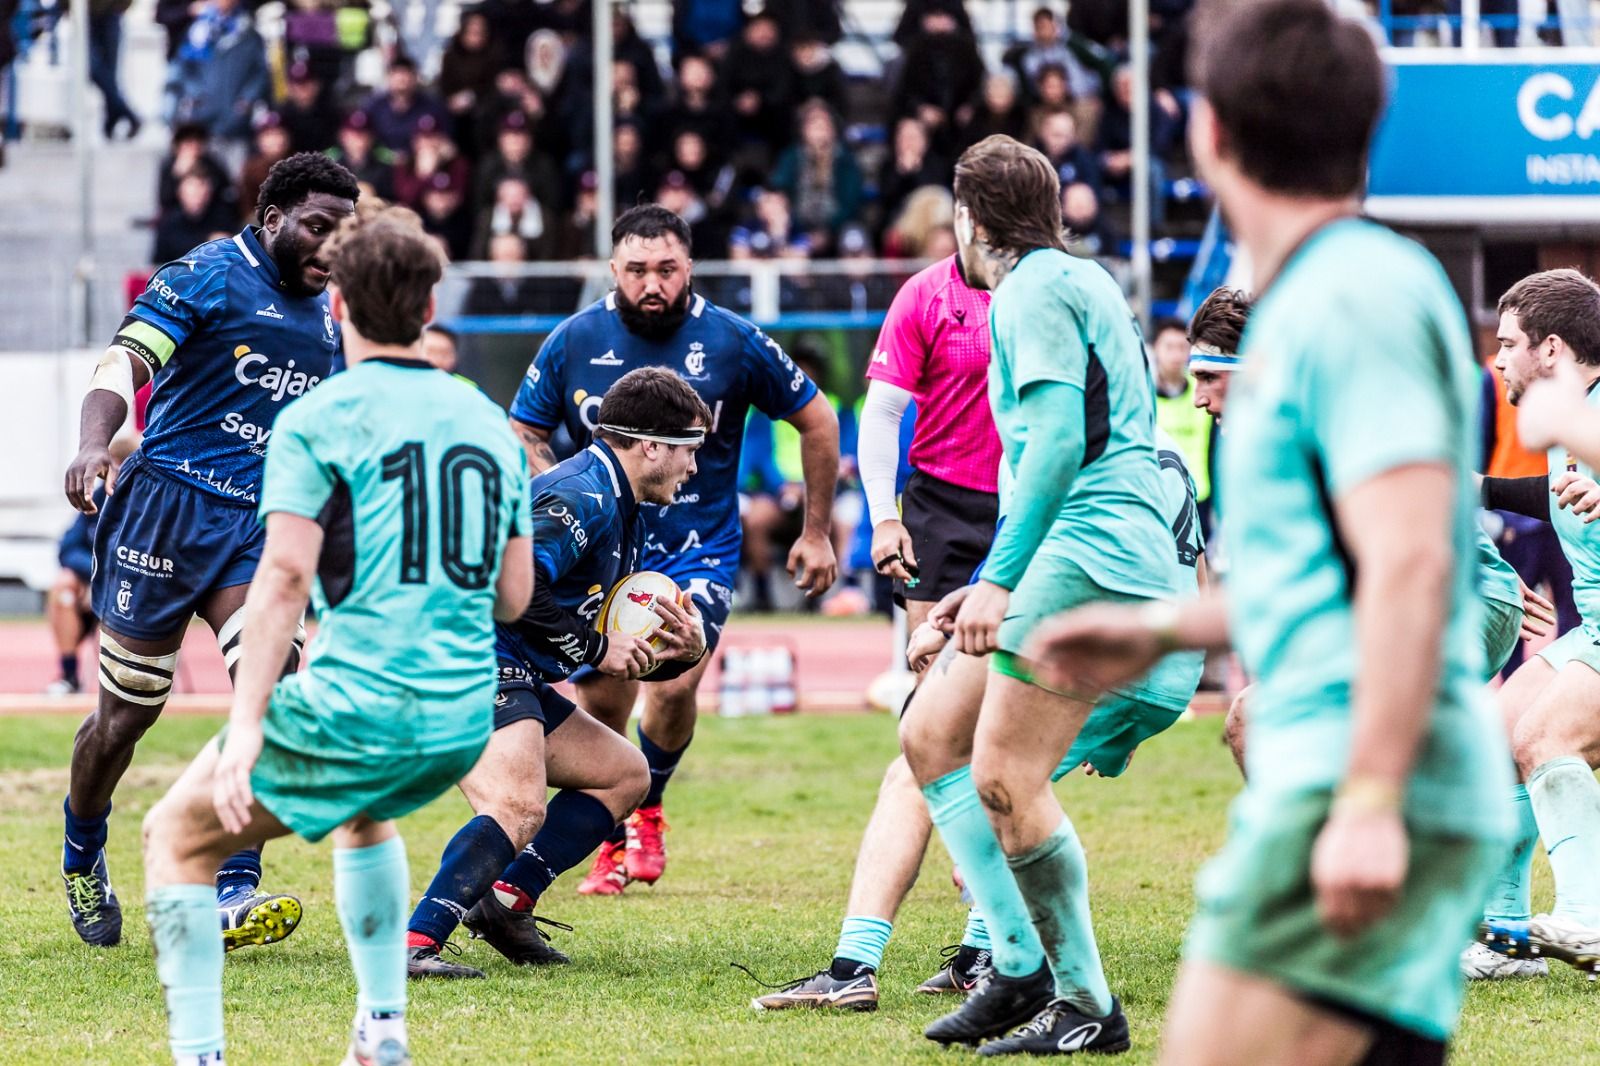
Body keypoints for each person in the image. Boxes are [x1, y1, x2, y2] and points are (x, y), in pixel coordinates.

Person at [1023, 3, 1514, 1060]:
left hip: (1364, 769)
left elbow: (1410, 559)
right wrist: (1160, 626)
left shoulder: (1352, 296)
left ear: (1209, 133)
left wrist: (1372, 799)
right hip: (1358, 768)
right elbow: (1331, 565)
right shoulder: (1318, 298)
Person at [140, 205, 531, 1066]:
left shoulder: (319, 416)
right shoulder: (487, 420)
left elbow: (280, 580)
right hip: (465, 715)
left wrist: (246, 728)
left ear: (340, 308)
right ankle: (380, 1032)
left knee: (173, 837)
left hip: (364, 701)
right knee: (364, 815)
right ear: (429, 311)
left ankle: (198, 1056)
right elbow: (514, 596)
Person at [889, 135, 1185, 1055]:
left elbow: (1057, 442)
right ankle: (1016, 966)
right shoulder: (1081, 278)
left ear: (971, 219)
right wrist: (983, 582)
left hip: (1087, 550)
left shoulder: (1030, 290)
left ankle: (1086, 1004)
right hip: (1092, 545)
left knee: (1004, 779)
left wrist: (999, 578)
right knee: (929, 733)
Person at [751, 423, 1203, 1014]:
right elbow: (1188, 574)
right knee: (1005, 783)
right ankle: (986, 956)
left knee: (918, 775)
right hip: (1167, 664)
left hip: (1102, 650)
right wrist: (1139, 709)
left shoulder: (1059, 439)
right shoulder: (1159, 443)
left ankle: (854, 968)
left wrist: (953, 636)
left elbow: (1054, 571)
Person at [60, 153, 358, 950]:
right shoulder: (207, 275)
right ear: (272, 221)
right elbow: (126, 359)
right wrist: (94, 445)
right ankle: (83, 854)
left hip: (255, 528)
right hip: (163, 513)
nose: (331, 245)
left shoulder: (327, 315)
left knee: (271, 698)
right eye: (318, 226)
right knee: (124, 720)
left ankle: (231, 888)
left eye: (344, 232)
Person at [508, 204, 840, 896]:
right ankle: (610, 819)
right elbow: (524, 429)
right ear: (612, 270)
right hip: (600, 552)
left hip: (696, 549)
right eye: (636, 270)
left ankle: (646, 801)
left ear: (689, 268)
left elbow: (817, 418)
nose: (651, 283)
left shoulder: (734, 340)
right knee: (603, 689)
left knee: (674, 674)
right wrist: (564, 492)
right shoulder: (574, 338)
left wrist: (815, 530)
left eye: (666, 269)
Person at [407, 368, 713, 978]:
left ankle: (503, 905)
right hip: (459, 653)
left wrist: (681, 650)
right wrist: (599, 649)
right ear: (651, 445)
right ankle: (413, 944)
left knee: (624, 775)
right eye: (688, 449)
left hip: (501, 659)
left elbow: (596, 628)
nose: (693, 467)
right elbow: (510, 582)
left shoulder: (621, 505)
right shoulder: (582, 496)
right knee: (517, 803)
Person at [1470, 268, 1600, 979]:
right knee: (1496, 735)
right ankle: (1509, 939)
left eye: (1507, 341)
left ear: (1550, 349)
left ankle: (1589, 919)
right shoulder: (1569, 417)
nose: (1497, 359)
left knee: (1547, 736)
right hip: (1595, 629)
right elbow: (1556, 494)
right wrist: (1477, 487)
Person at [1151, 316, 1212, 534]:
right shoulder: (1142, 393)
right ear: (1155, 348)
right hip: (1157, 495)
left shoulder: (1205, 388)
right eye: (1169, 347)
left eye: (1182, 347)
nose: (1176, 355)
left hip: (1199, 496)